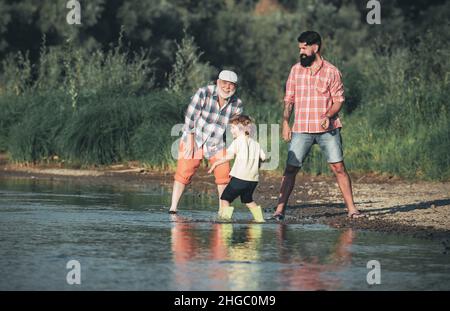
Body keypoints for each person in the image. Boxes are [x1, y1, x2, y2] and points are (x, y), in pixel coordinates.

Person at [272, 31, 363, 221]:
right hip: (301, 128)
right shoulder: (295, 70)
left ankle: (352, 209)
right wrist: (285, 122)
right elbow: (289, 99)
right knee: (290, 169)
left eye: (304, 48)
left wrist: (328, 115)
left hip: (327, 129)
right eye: (299, 49)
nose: (301, 52)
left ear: (316, 47)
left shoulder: (332, 71)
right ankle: (279, 210)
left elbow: (339, 100)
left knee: (338, 168)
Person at [169, 70, 243, 214]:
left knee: (224, 175)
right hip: (195, 138)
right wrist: (190, 139)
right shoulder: (204, 93)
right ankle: (173, 208)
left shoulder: (237, 104)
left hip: (217, 143)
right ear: (218, 82)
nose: (227, 87)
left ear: (235, 87)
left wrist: (238, 146)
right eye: (224, 83)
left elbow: (235, 129)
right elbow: (191, 117)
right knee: (183, 173)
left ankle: (223, 210)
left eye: (231, 85)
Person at [208, 115, 266, 222]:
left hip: (239, 178)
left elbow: (230, 156)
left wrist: (216, 163)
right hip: (253, 180)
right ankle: (260, 220)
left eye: (233, 128)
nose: (231, 130)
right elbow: (263, 157)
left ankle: (225, 221)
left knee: (225, 198)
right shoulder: (256, 144)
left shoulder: (237, 141)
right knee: (248, 200)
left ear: (241, 128)